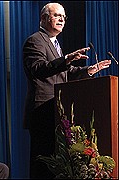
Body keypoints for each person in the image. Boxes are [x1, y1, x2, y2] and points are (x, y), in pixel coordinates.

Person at [22, 2, 111, 179]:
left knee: (55, 164)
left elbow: (65, 73)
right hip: (42, 111)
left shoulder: (54, 43)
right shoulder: (35, 40)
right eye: (57, 15)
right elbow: (39, 68)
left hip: (56, 110)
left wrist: (89, 70)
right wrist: (66, 59)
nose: (62, 19)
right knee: (43, 164)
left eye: (63, 16)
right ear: (44, 18)